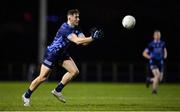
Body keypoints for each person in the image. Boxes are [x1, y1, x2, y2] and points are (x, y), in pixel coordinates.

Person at [22, 9, 103, 106]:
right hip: (52, 54)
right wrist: (92, 37)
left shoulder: (77, 28)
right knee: (42, 77)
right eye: (76, 17)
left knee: (74, 71)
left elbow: (84, 42)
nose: (78, 19)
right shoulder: (65, 28)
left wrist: (92, 38)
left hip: (62, 54)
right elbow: (77, 41)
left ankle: (57, 90)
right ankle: (26, 96)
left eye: (78, 17)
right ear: (69, 17)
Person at [142, 30, 167, 94]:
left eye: (159, 35)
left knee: (160, 79)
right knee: (157, 75)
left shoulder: (162, 43)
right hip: (153, 62)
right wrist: (150, 57)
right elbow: (144, 53)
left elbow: (164, 50)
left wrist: (165, 55)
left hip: (160, 62)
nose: (158, 36)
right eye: (157, 35)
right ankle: (154, 91)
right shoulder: (151, 44)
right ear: (154, 36)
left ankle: (149, 80)